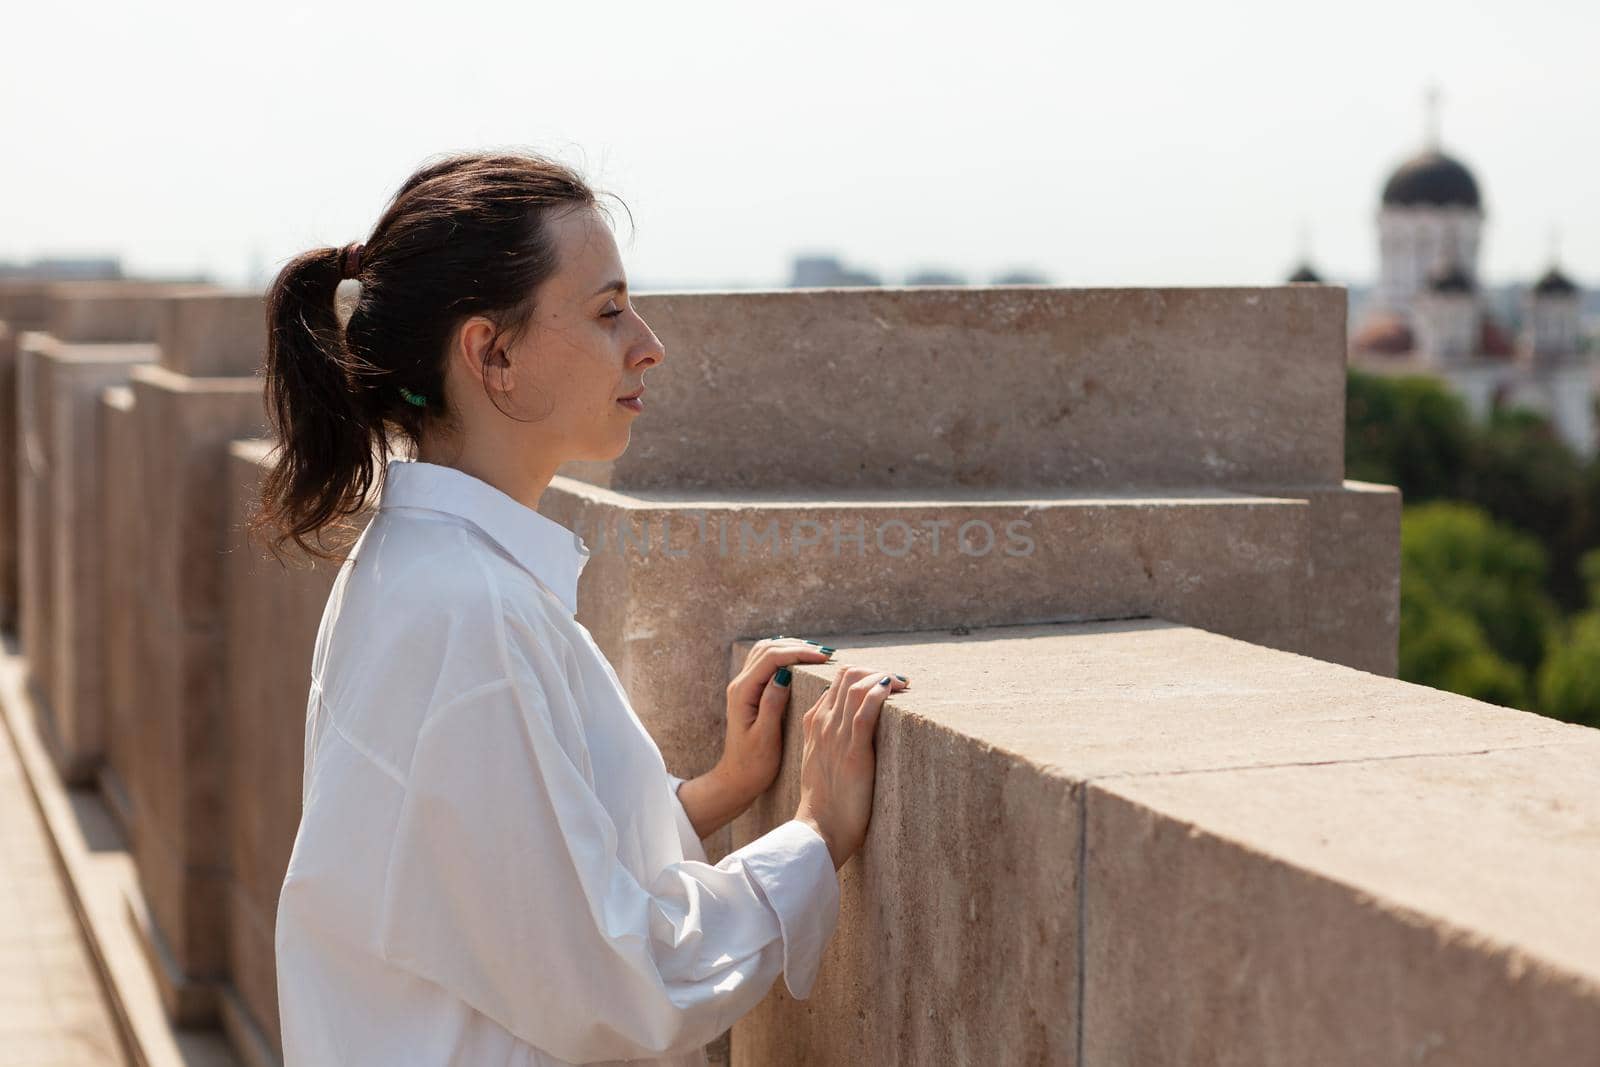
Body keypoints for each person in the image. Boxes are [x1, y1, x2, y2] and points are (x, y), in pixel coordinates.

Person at [254, 150, 910, 1066]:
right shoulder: (466, 610)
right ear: (494, 354)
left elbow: (506, 876)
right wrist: (814, 835)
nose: (649, 342)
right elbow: (619, 984)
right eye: (608, 312)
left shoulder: (425, 566)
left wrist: (715, 792)